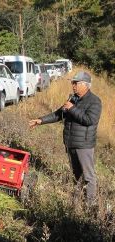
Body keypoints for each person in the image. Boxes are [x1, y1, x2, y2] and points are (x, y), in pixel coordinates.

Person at [29, 71, 102, 207]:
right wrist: (40, 120)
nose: (73, 85)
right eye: (72, 82)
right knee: (76, 174)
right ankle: (76, 202)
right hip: (70, 143)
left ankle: (91, 206)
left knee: (88, 176)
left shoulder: (94, 101)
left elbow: (90, 120)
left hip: (84, 145)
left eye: (76, 83)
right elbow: (58, 114)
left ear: (85, 85)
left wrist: (72, 109)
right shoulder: (73, 99)